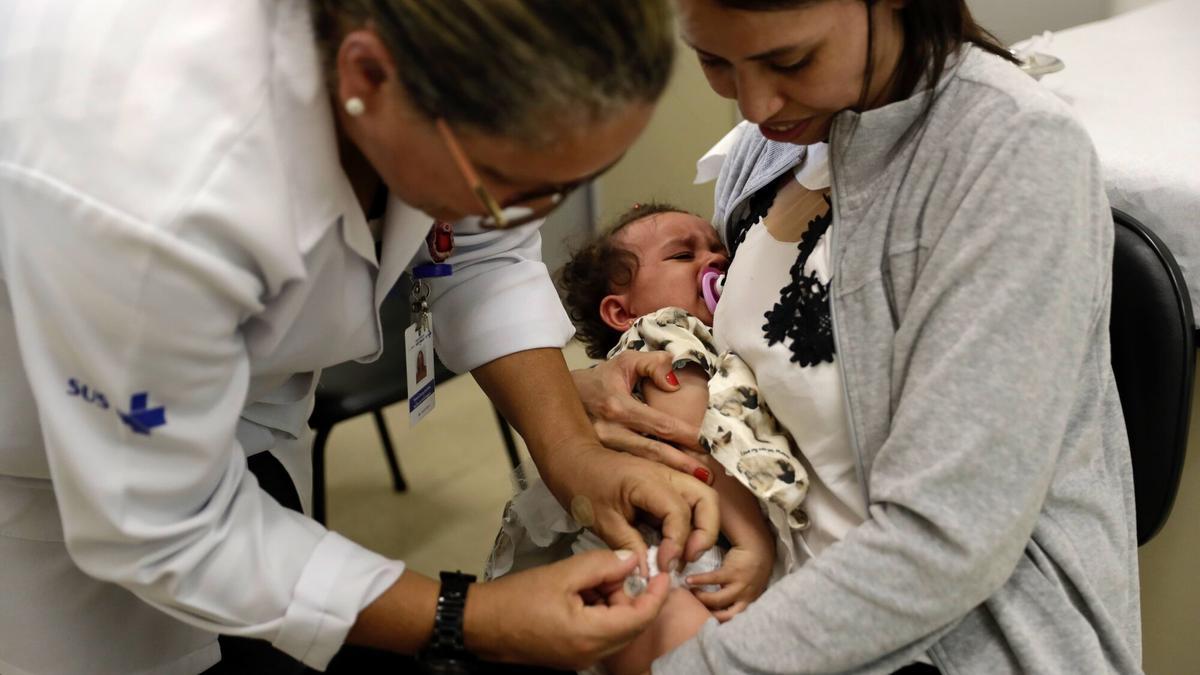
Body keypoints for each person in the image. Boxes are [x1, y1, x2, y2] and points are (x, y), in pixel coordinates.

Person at [0, 2, 723, 674]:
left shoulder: (439, 83)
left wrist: (574, 457)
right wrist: (466, 617)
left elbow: (475, 248)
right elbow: (167, 524)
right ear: (367, 76)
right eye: (509, 183)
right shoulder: (153, 188)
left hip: (241, 403)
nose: (527, 217)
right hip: (46, 468)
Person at [573, 1, 1143, 673]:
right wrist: (602, 385)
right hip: (775, 589)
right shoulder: (776, 141)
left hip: (947, 634)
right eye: (715, 62)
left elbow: (944, 543)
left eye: (791, 60)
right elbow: (725, 348)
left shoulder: (1012, 155)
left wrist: (697, 664)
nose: (754, 105)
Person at [489, 203, 813, 674]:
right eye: (683, 256)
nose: (714, 261)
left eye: (717, 249)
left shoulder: (710, 338)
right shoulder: (664, 334)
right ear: (621, 311)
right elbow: (696, 442)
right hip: (676, 546)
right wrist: (752, 541)